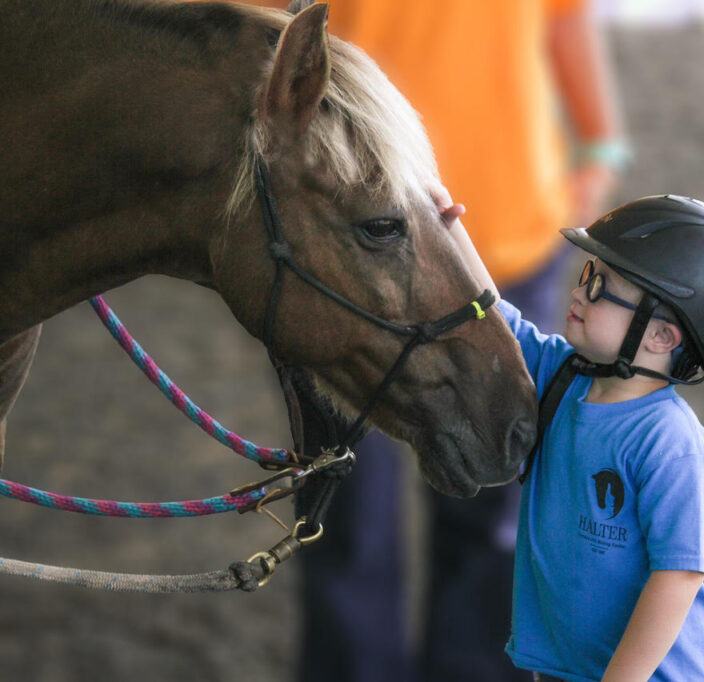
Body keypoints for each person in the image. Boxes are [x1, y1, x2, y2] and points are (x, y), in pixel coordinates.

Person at [226, 1, 628, 681]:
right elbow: (246, 27)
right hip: (349, 248)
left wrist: (599, 139)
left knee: (496, 494)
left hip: (506, 232)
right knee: (344, 503)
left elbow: (563, 14)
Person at [441, 192, 704, 681]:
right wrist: (443, 222)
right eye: (586, 276)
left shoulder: (672, 447)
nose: (578, 293)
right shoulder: (560, 376)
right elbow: (488, 313)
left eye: (601, 287)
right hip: (565, 670)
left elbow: (677, 577)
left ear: (661, 338)